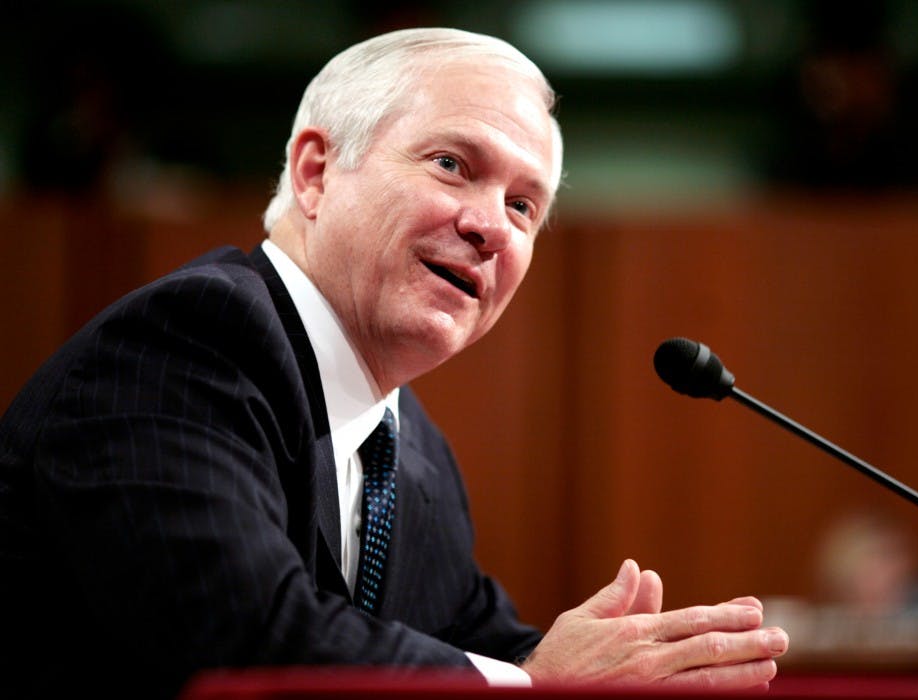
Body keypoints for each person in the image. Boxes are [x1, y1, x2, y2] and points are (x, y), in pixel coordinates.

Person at [0, 27, 788, 699]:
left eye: (523, 206)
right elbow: (248, 640)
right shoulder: (189, 341)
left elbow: (474, 642)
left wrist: (623, 672)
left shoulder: (411, 451)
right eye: (452, 164)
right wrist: (536, 688)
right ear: (315, 172)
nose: (492, 228)